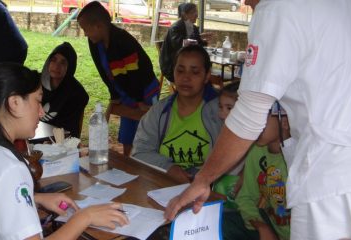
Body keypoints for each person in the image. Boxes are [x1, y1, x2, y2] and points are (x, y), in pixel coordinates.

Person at [165, 0, 351, 239]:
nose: (243, 2)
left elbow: (249, 115)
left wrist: (203, 179)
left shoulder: (278, 7)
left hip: (330, 176)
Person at [0, 63, 129, 239]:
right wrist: (85, 217)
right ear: (15, 103)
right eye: (38, 101)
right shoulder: (8, 167)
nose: (41, 112)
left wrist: (36, 199)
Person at [77, 1, 160, 156]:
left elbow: (135, 76)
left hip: (144, 91)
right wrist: (114, 95)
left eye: (85, 29)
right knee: (127, 137)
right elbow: (103, 71)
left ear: (98, 26)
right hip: (126, 93)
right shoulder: (94, 42)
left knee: (146, 137)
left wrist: (140, 101)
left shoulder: (124, 42)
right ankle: (128, 164)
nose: (85, 34)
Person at [131, 45, 222, 184]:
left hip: (209, 188)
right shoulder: (159, 112)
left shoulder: (221, 112)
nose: (186, 78)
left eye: (195, 72)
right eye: (180, 70)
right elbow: (140, 152)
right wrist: (168, 168)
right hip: (164, 186)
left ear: (207, 76)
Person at [234, 102, 291, 240]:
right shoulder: (256, 152)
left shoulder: (300, 157)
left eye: (260, 117)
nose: (253, 124)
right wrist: (261, 226)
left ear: (284, 121)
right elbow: (245, 197)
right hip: (273, 230)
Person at [40, 42, 89, 138]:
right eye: (54, 60)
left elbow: (68, 131)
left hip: (58, 141)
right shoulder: (35, 83)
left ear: (70, 67)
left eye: (63, 62)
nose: (56, 66)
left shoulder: (76, 94)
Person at [159, 2, 213, 83]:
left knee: (204, 71)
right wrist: (200, 38)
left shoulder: (193, 27)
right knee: (200, 75)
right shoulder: (175, 28)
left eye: (196, 12)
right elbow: (180, 45)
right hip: (172, 66)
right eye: (193, 12)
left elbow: (196, 43)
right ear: (184, 15)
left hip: (187, 62)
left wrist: (204, 42)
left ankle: (203, 92)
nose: (196, 15)